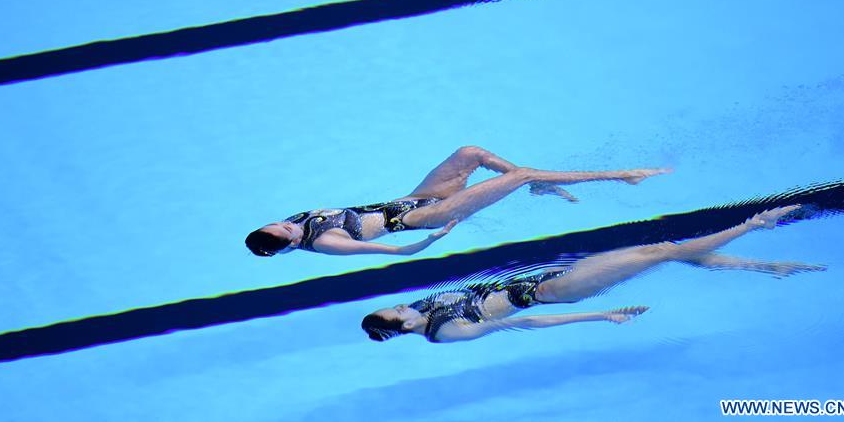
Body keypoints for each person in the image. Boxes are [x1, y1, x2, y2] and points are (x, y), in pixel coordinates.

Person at [361, 205, 825, 343]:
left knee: (659, 249)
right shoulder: (445, 332)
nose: (406, 304)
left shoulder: (424, 308)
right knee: (660, 253)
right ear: (403, 326)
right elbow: (524, 322)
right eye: (399, 310)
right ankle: (751, 226)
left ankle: (766, 266)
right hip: (556, 292)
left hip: (539, 277)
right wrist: (602, 317)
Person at [245, 146, 670, 257]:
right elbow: (388, 249)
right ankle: (622, 176)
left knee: (470, 152)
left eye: (277, 223)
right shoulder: (324, 242)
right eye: (282, 232)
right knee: (521, 175)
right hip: (426, 217)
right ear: (287, 245)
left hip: (412, 199)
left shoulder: (296, 221)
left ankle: (536, 185)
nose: (284, 224)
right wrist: (431, 240)